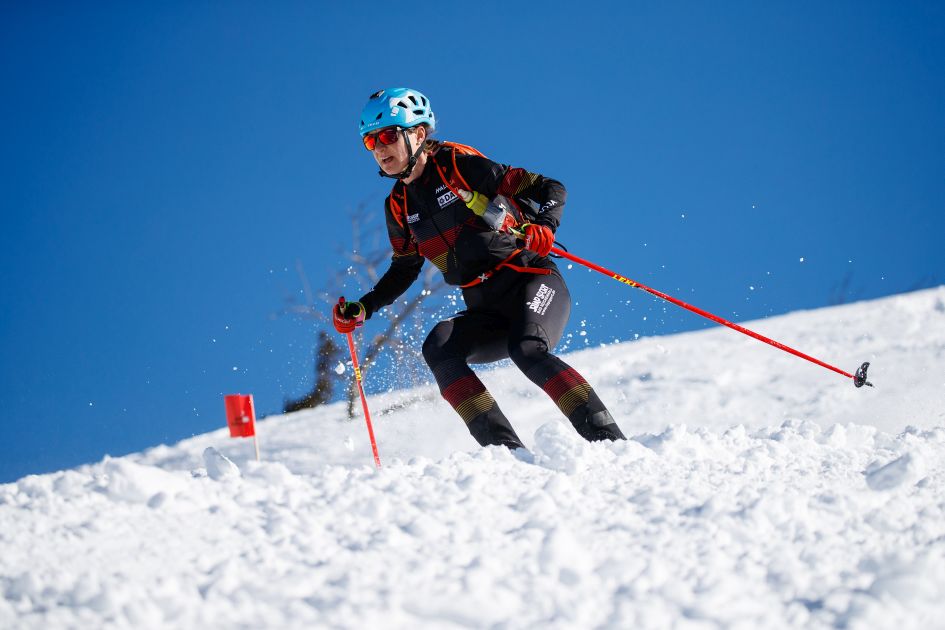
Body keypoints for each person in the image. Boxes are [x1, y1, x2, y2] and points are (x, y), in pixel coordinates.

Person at [333, 87, 625, 449]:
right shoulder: (398, 205)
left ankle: (611, 444)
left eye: (389, 135)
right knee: (439, 346)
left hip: (531, 280)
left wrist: (545, 227)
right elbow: (405, 268)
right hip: (484, 306)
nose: (379, 147)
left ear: (419, 134)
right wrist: (364, 307)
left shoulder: (459, 165)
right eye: (370, 140)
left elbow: (549, 187)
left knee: (527, 349)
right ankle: (506, 454)